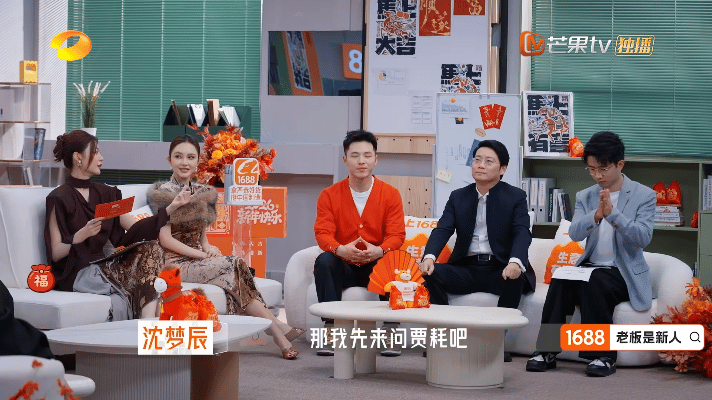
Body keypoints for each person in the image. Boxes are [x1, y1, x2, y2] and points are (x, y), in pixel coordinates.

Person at [147, 135, 304, 360]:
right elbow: (165, 240)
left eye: (190, 157)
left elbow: (202, 236)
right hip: (175, 264)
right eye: (178, 156)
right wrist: (202, 255)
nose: (184, 162)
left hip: (198, 259)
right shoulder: (162, 193)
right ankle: (278, 329)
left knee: (233, 273)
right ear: (169, 160)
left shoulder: (203, 192)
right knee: (235, 264)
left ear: (197, 161)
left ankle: (278, 333)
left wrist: (209, 248)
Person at [526, 131, 656, 377]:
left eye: (603, 169)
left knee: (595, 280)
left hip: (622, 273)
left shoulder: (644, 195)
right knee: (561, 278)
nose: (597, 175)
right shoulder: (585, 195)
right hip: (589, 268)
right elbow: (575, 234)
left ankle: (603, 356)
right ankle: (546, 351)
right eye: (592, 169)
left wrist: (613, 215)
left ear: (620, 164)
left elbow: (643, 237)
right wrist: (595, 216)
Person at [45, 130, 189, 319]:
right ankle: (149, 324)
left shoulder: (106, 194)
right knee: (148, 273)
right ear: (78, 157)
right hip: (79, 272)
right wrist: (81, 235)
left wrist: (170, 208)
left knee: (152, 248)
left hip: (105, 265)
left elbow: (136, 229)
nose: (101, 158)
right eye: (95, 152)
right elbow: (56, 253)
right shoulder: (58, 198)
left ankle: (148, 323)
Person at [419, 140, 535, 361]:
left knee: (516, 278)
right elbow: (443, 229)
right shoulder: (458, 196)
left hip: (499, 268)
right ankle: (444, 337)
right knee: (431, 274)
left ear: (503, 169)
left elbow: (522, 232)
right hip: (466, 268)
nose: (480, 165)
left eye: (489, 161)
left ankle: (497, 343)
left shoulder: (515, 197)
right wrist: (429, 256)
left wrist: (515, 261)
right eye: (477, 160)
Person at [313, 130, 406, 356]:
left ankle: (391, 330)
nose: (361, 161)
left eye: (367, 155)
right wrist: (339, 249)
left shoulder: (390, 194)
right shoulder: (329, 195)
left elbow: (397, 234)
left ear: (376, 159)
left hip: (376, 267)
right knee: (324, 260)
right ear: (345, 160)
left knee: (394, 260)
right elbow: (323, 232)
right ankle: (331, 328)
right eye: (355, 155)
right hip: (343, 264)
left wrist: (380, 250)